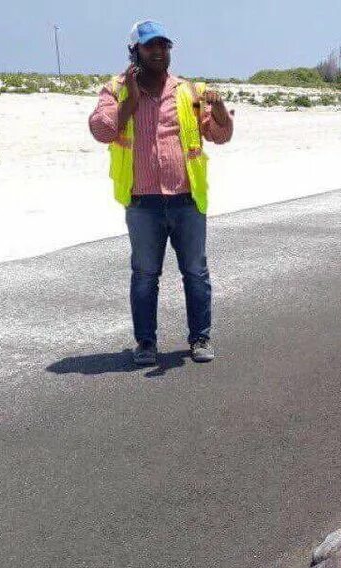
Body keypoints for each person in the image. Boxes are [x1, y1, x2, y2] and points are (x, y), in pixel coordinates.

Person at [88, 19, 233, 365]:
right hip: (143, 203)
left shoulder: (189, 91)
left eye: (163, 46)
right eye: (150, 46)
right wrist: (131, 101)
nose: (158, 51)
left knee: (196, 272)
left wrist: (221, 107)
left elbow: (219, 134)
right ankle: (146, 344)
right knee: (144, 275)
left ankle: (200, 339)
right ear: (135, 50)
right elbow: (102, 130)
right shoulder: (115, 90)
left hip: (187, 199)